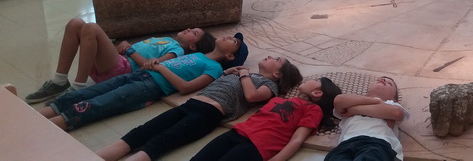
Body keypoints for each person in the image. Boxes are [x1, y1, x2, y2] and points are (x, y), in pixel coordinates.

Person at [96, 55, 303, 161]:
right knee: (141, 132)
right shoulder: (244, 74)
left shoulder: (269, 85)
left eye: (276, 60)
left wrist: (243, 74)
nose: (270, 57)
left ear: (277, 74)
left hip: (208, 113)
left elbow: (251, 96)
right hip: (193, 103)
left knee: (162, 141)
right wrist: (227, 73)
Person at [38, 33, 248, 131]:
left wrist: (161, 68)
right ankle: (37, 116)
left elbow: (185, 88)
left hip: (149, 86)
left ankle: (42, 129)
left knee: (97, 104)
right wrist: (157, 62)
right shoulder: (198, 54)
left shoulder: (214, 68)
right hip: (140, 75)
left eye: (234, 41)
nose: (228, 36)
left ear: (230, 56)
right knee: (87, 93)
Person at [25, 20, 214, 103]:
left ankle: (78, 87)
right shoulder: (166, 39)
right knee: (76, 24)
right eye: (191, 28)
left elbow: (151, 67)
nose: (189, 29)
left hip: (123, 70)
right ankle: (59, 80)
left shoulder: (177, 50)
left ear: (193, 46)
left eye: (194, 33)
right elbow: (120, 51)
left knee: (91, 27)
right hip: (114, 62)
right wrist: (120, 47)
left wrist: (129, 49)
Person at [191, 77, 342, 161]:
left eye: (316, 80)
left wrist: (276, 160)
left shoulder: (313, 109)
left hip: (257, 147)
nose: (310, 79)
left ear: (317, 92)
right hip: (236, 133)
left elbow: (297, 139)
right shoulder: (279, 99)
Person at [324, 76, 410, 161]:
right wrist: (377, 101)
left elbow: (397, 113)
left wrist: (353, 110)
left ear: (394, 99)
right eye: (378, 79)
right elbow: (338, 100)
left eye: (389, 83)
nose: (383, 80)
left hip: (377, 143)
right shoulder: (355, 101)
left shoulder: (391, 104)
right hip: (345, 144)